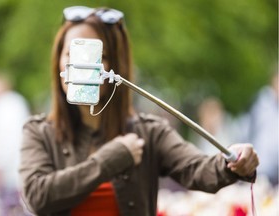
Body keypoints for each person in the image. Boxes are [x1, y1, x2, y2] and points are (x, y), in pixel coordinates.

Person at [19, 6, 259, 216]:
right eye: (72, 54)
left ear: (115, 66)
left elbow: (197, 169)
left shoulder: (149, 133)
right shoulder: (39, 133)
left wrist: (232, 161)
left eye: (98, 56)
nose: (83, 65)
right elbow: (37, 196)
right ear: (58, 62)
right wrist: (110, 159)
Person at [0, 73, 30, 214]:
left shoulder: (5, 105)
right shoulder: (15, 101)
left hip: (11, 172)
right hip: (21, 169)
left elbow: (6, 141)